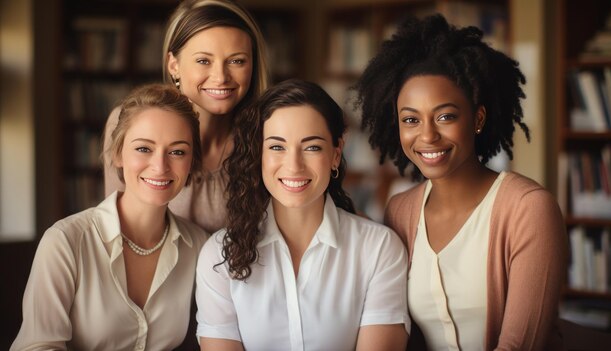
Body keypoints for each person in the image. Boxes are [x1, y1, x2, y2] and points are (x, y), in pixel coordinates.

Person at [353, 15, 568, 351]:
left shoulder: (528, 209)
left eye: (445, 116)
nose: (427, 135)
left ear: (477, 118)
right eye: (411, 119)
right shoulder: (400, 211)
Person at [195, 79, 410, 351]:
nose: (294, 165)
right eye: (277, 147)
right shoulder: (218, 255)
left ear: (336, 153)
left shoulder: (378, 249)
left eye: (311, 147)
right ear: (258, 154)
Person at [11, 84, 208, 350]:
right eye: (143, 149)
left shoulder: (198, 246)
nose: (160, 166)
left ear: (191, 161)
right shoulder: (66, 242)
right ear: (117, 154)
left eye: (177, 152)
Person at [103, 0, 269, 233]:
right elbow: (115, 228)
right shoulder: (130, 123)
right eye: (203, 61)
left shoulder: (269, 136)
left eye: (236, 61)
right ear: (174, 65)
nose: (221, 77)